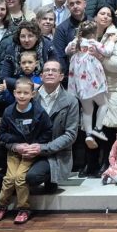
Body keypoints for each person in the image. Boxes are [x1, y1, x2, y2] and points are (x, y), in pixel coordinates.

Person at [0, 77, 53, 224]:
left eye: (26, 93)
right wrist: (15, 143)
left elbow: (48, 131)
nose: (22, 96)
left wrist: (35, 145)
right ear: (14, 93)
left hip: (30, 152)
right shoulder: (8, 111)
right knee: (9, 179)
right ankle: (2, 206)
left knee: (20, 178)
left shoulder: (39, 112)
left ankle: (24, 208)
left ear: (33, 94)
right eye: (19, 92)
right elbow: (1, 134)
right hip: (14, 151)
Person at [83, 6, 117, 177]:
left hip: (111, 88)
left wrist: (99, 56)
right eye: (102, 13)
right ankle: (91, 163)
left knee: (108, 127)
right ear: (95, 16)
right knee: (89, 126)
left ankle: (107, 162)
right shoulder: (86, 34)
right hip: (89, 86)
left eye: (109, 14)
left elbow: (115, 66)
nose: (105, 16)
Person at [27, 59, 79, 193]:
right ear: (41, 76)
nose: (50, 73)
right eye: (46, 70)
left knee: (32, 177)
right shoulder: (30, 96)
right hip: (30, 148)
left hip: (55, 154)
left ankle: (49, 178)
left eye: (54, 70)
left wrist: (43, 148)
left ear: (61, 76)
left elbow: (70, 135)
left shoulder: (71, 101)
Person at [67, 21, 109, 150]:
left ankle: (88, 134)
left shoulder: (74, 42)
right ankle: (98, 128)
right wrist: (112, 41)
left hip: (80, 85)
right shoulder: (93, 42)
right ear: (93, 34)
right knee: (103, 104)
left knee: (87, 110)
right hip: (93, 83)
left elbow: (66, 50)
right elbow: (107, 51)